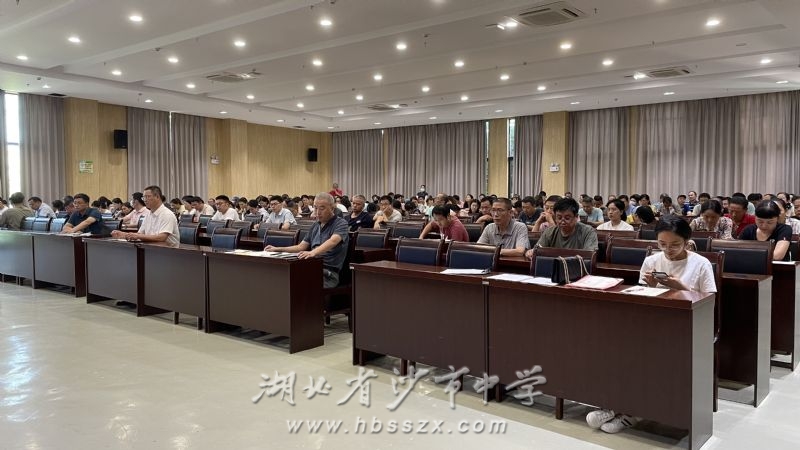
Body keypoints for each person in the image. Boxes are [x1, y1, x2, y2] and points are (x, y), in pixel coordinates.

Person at [586, 215, 716, 434]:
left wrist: (680, 287)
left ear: (687, 241)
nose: (668, 250)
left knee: (653, 357)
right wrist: (653, 286)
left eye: (675, 244)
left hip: (687, 326)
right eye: (662, 244)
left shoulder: (700, 263)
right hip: (654, 322)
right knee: (618, 350)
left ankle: (631, 414)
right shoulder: (652, 261)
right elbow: (641, 295)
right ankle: (615, 405)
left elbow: (710, 301)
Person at [265, 192, 349, 288]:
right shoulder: (315, 225)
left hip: (327, 273)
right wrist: (277, 249)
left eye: (322, 208)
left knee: (294, 283)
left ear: (332, 208)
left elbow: (333, 241)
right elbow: (301, 247)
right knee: (280, 276)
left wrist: (313, 252)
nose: (318, 212)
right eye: (315, 208)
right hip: (310, 266)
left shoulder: (341, 223)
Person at [526, 197, 598, 257]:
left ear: (576, 217)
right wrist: (531, 253)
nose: (562, 222)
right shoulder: (549, 231)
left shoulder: (588, 232)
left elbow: (589, 256)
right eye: (559, 218)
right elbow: (537, 250)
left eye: (567, 218)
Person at [111, 185, 179, 246]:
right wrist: (124, 235)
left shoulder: (167, 214)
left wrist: (138, 236)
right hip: (151, 248)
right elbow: (140, 234)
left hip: (168, 251)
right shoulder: (148, 214)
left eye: (147, 197)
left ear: (157, 197)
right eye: (144, 197)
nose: (145, 200)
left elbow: (162, 237)